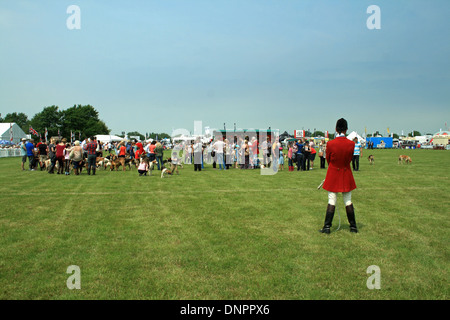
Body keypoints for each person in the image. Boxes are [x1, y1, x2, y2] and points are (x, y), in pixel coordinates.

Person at [319, 118, 358, 234]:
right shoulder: (351, 144)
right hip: (346, 173)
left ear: (336, 129)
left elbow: (329, 160)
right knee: (348, 200)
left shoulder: (330, 144)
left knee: (332, 200)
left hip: (333, 173)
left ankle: (326, 227)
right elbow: (350, 159)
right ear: (346, 129)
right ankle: (353, 227)